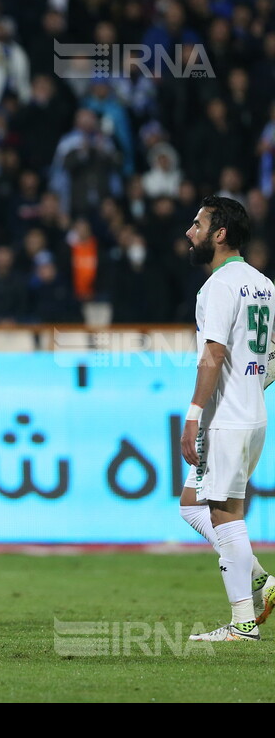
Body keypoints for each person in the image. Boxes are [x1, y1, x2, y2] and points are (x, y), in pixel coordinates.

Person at [178, 196, 275, 641]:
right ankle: (261, 580)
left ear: (219, 234)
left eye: (197, 225)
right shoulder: (262, 283)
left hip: (227, 417)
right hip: (253, 414)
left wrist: (194, 414)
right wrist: (254, 387)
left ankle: (241, 622)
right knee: (192, 504)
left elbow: (213, 353)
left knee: (222, 513)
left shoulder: (217, 286)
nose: (189, 232)